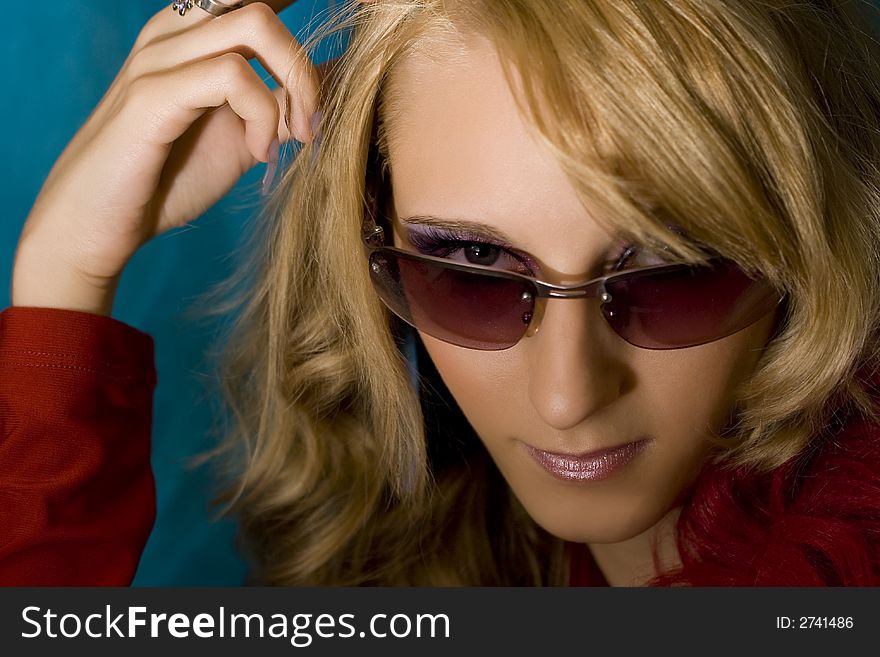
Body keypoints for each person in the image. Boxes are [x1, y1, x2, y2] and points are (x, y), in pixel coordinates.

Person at [3, 0, 880, 586]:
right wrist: (63, 274)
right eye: (468, 269)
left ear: (807, 241)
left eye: (674, 271)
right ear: (371, 239)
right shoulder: (422, 531)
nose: (566, 397)